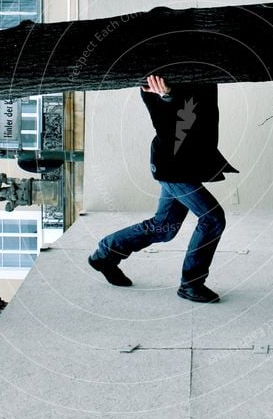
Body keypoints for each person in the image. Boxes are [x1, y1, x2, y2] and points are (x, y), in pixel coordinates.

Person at [88, 74, 238, 303]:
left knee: (163, 228)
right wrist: (168, 96)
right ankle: (191, 284)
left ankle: (105, 254)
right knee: (213, 219)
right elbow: (164, 121)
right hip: (173, 166)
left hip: (185, 163)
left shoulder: (200, 69)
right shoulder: (155, 82)